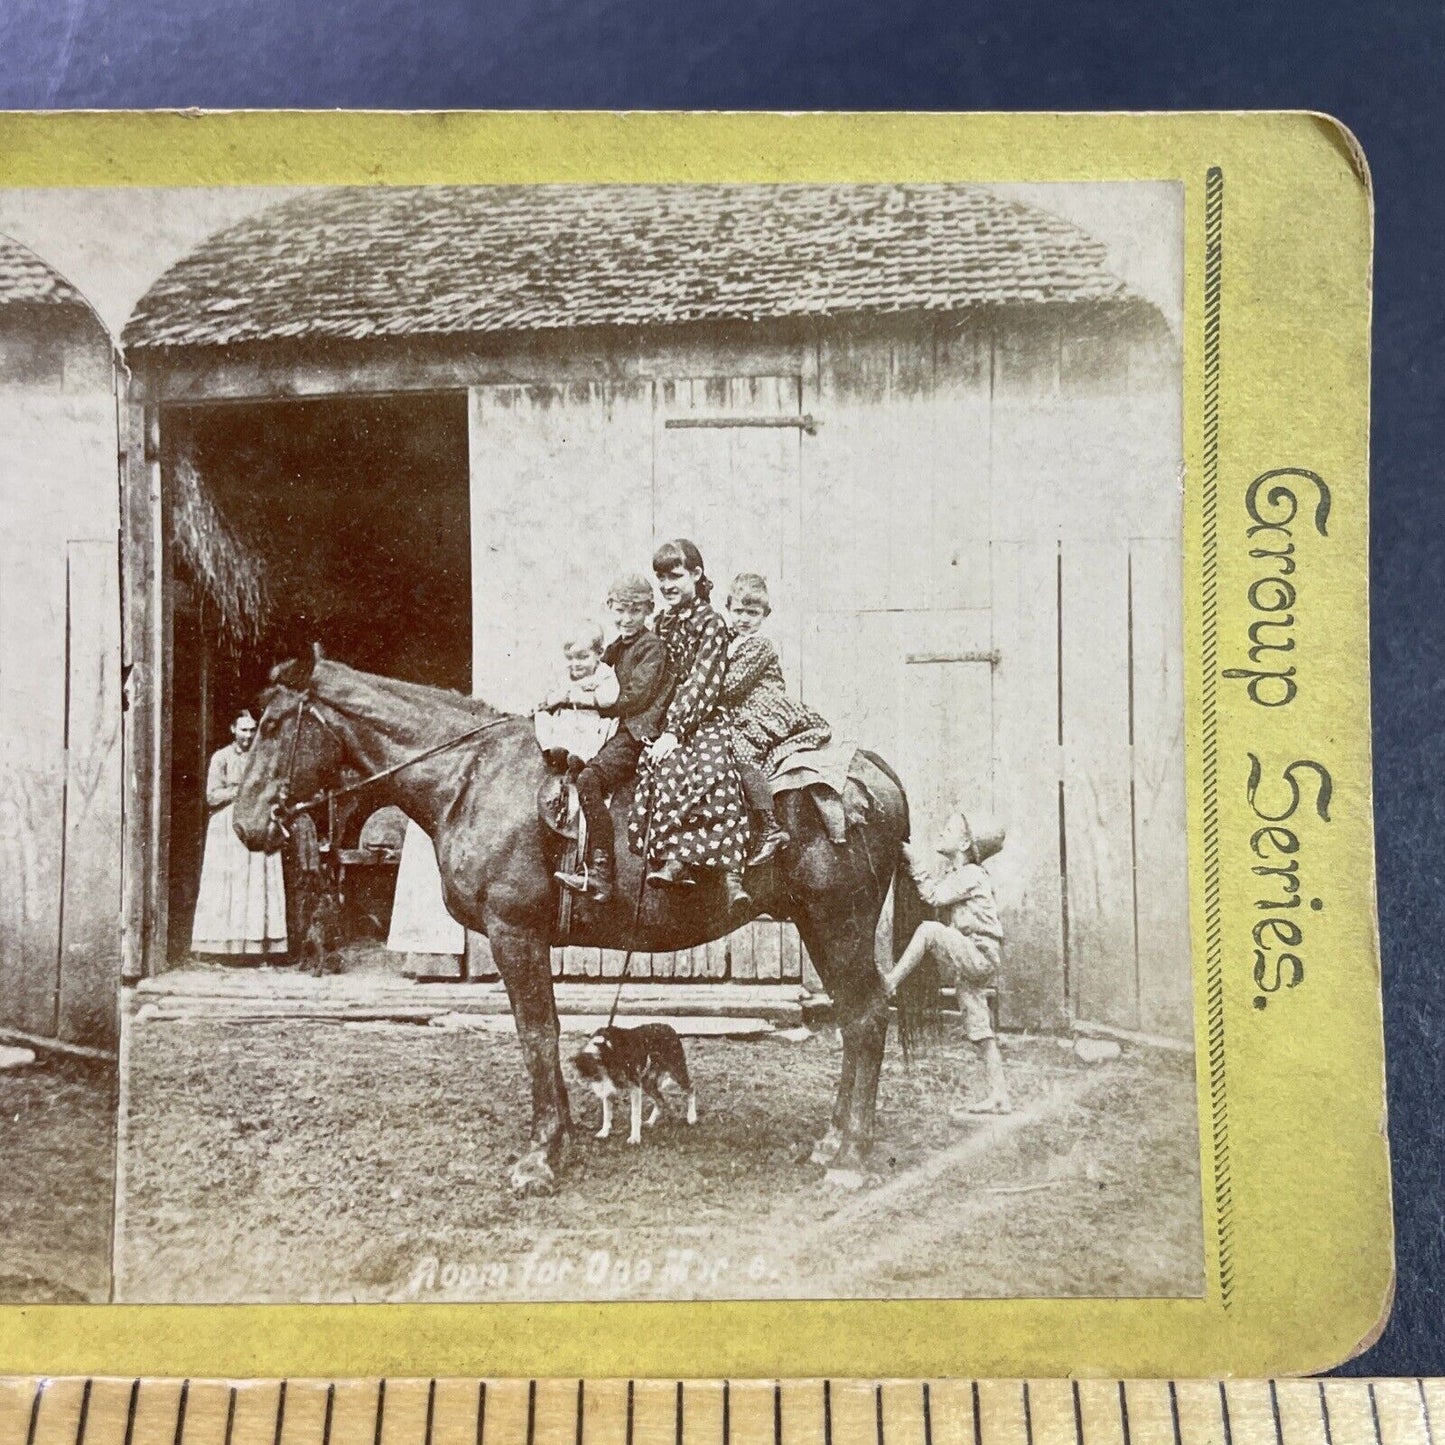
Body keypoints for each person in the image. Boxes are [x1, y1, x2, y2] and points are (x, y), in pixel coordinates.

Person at [627, 539, 750, 909]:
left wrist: (675, 730)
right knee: (654, 768)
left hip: (703, 713)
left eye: (675, 576)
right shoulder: (661, 622)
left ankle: (722, 871)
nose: (667, 586)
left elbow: (703, 680)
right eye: (661, 578)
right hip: (665, 716)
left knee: (714, 768)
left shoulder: (711, 622)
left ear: (696, 575)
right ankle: (671, 858)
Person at [881, 810, 1011, 1115]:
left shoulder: (970, 875)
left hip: (978, 953)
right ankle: (999, 1095)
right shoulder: (962, 876)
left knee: (928, 931)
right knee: (980, 1030)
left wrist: (912, 859)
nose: (942, 832)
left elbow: (932, 896)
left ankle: (890, 982)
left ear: (965, 842)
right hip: (976, 957)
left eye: (949, 828)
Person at [555, 574, 673, 906]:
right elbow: (592, 673)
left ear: (648, 611)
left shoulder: (652, 647)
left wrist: (591, 701)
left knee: (589, 780)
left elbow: (636, 697)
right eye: (620, 611)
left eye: (634, 611)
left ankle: (601, 872)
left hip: (635, 732)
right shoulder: (616, 646)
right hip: (610, 729)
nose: (626, 619)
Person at [720, 571, 833, 868]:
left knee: (741, 748)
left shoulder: (759, 645)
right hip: (742, 708)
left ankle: (770, 826)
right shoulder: (730, 641)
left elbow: (732, 686)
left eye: (752, 613)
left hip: (764, 706)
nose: (744, 619)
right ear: (728, 609)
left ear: (764, 615)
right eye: (738, 611)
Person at [191, 709, 288, 959]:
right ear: (233, 730)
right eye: (243, 729)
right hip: (227, 827)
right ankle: (220, 947)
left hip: (256, 821)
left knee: (256, 883)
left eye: (252, 730)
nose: (248, 735)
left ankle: (258, 946)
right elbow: (212, 796)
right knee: (229, 885)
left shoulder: (265, 757)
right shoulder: (221, 758)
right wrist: (242, 791)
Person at [534, 621, 620, 772]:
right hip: (566, 717)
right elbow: (550, 697)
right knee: (543, 718)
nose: (576, 664)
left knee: (597, 732)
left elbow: (609, 697)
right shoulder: (563, 674)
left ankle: (581, 759)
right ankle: (552, 751)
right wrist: (559, 697)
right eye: (570, 658)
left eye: (583, 657)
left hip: (590, 717)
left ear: (599, 653)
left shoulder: (603, 674)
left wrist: (581, 696)